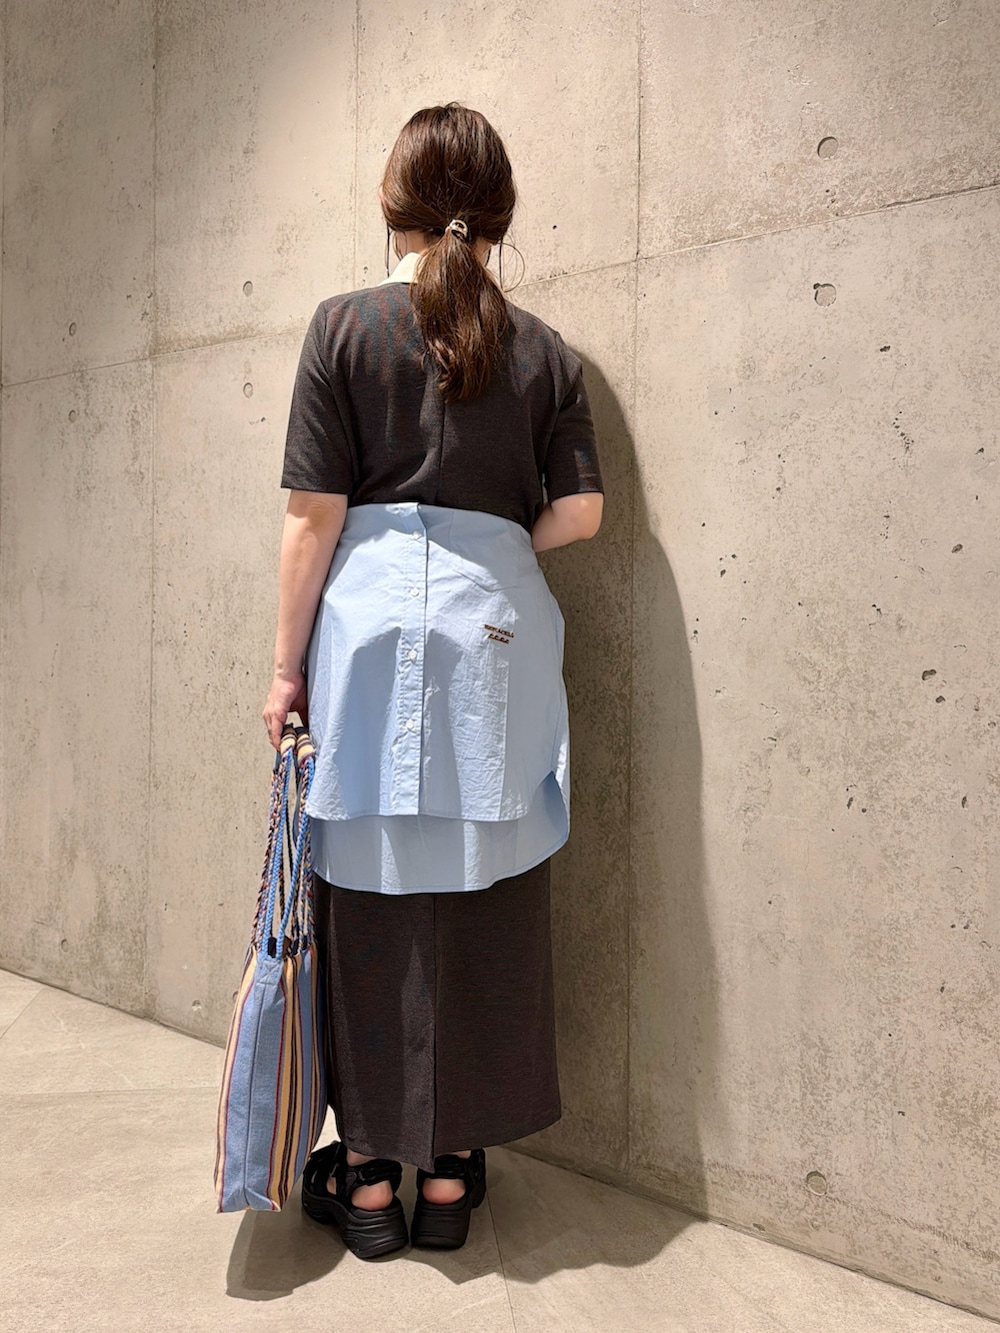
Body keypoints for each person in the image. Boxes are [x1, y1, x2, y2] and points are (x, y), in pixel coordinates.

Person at [262, 102, 604, 1260]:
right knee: (487, 886)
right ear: (500, 214)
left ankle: (367, 1182)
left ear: (390, 205)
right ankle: (451, 1174)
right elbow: (582, 512)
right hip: (497, 642)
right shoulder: (545, 350)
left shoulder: (343, 328)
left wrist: (282, 671)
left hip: (365, 642)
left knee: (362, 892)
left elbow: (312, 518)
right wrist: (490, 551)